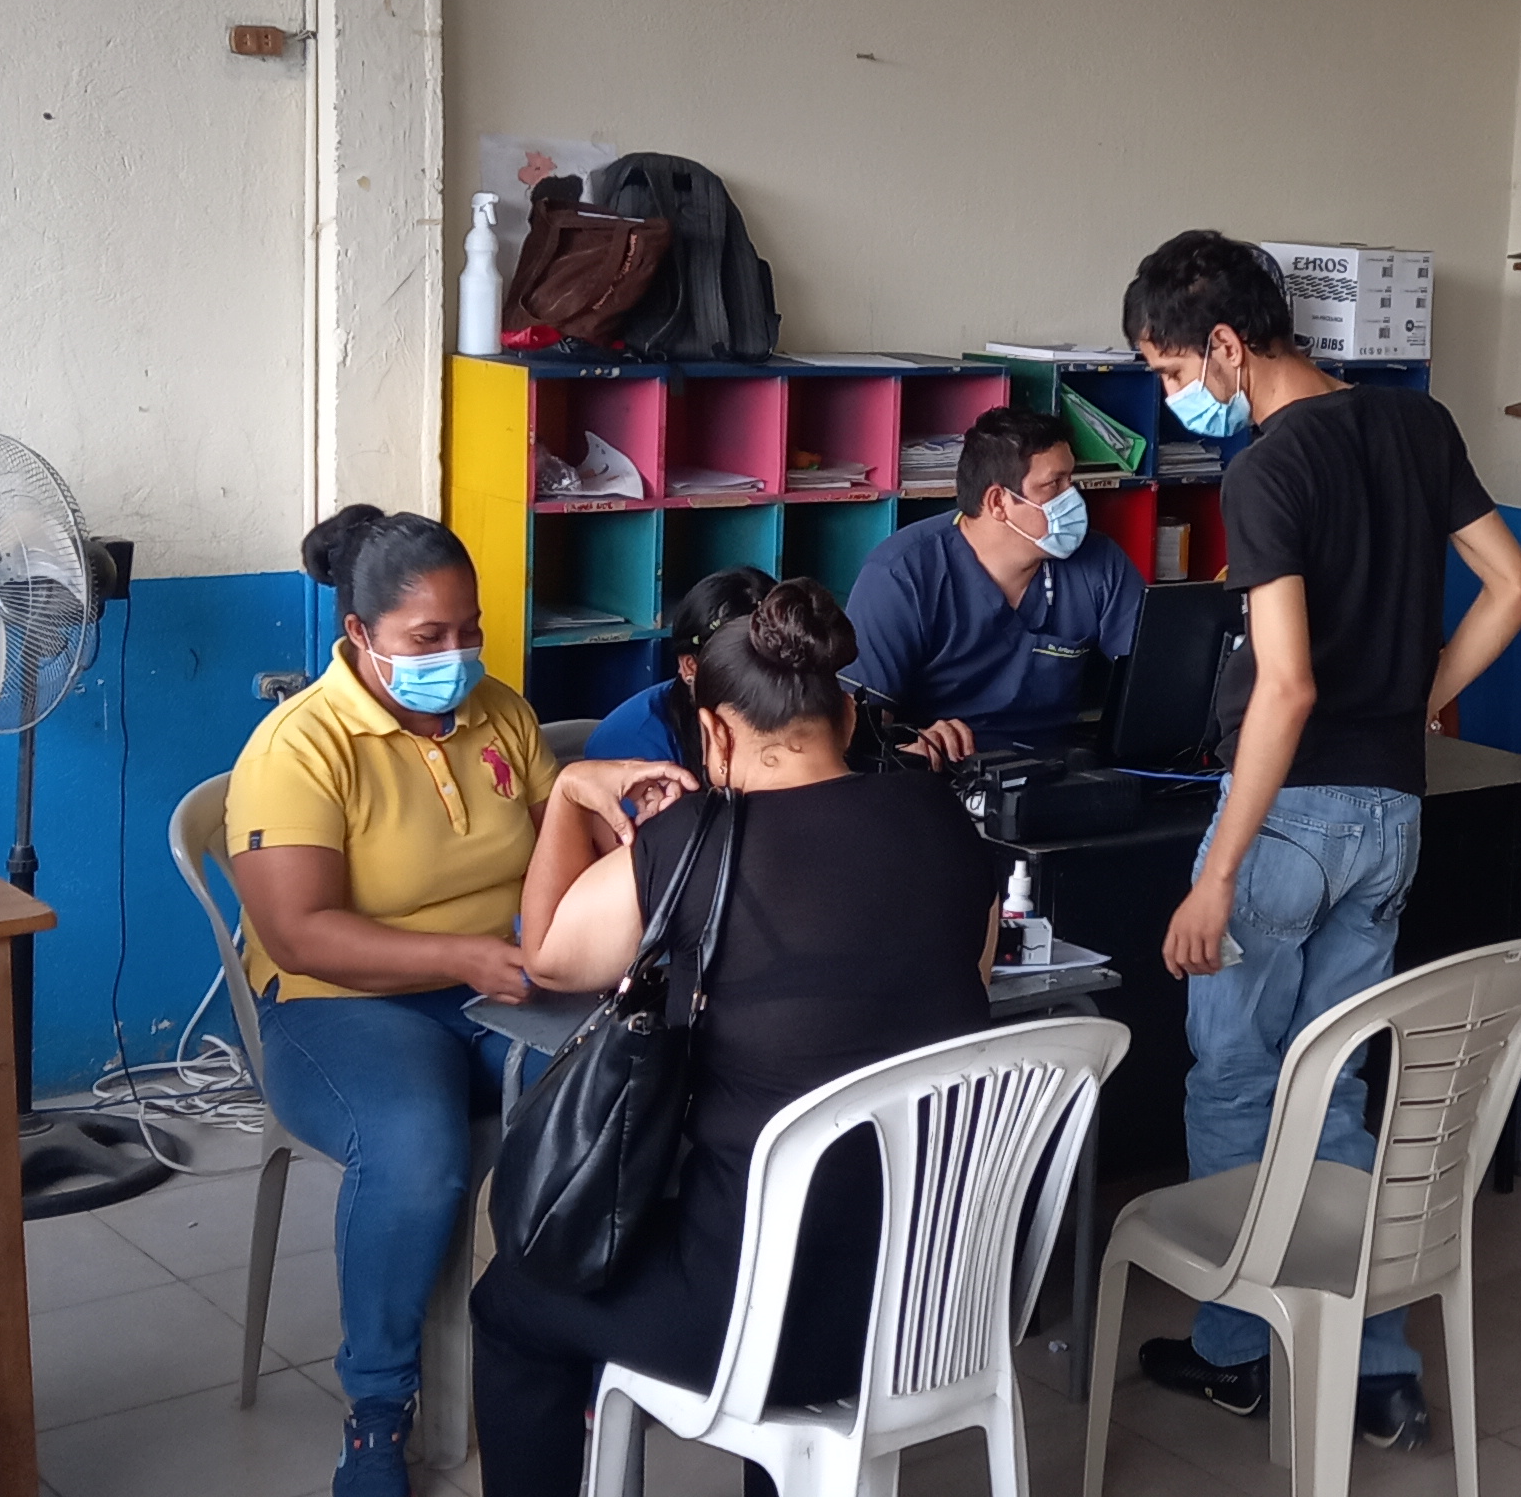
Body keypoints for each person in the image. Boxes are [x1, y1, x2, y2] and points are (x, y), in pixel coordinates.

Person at [1118, 229, 1521, 1450]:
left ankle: (1239, 1351)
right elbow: (1514, 589)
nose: (1173, 394)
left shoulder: (1266, 468)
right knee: (1339, 1079)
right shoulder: (1415, 424)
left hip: (1287, 816)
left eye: (1169, 369)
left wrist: (1217, 871)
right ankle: (1375, 1365)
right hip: (1391, 812)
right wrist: (1416, 699)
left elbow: (1287, 687)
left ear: (1224, 344)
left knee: (1237, 1082)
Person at [470, 580, 999, 1496]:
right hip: (937, 1299)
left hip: (760, 1319)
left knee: (512, 1304)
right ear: (846, 713)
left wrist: (568, 798)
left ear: (712, 733)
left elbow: (549, 959)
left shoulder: (694, 842)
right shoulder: (941, 818)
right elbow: (968, 986)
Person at [225, 505, 559, 1497]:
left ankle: (561, 1347)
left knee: (619, 1088)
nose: (454, 656)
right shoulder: (300, 746)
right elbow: (299, 934)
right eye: (426, 637)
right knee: (416, 1152)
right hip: (340, 1003)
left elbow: (558, 840)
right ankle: (377, 1413)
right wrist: (466, 954)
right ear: (359, 634)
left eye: (469, 630)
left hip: (497, 982)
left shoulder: (499, 713)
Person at [846, 405, 1146, 761]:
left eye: (1071, 481)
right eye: (1054, 485)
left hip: (1058, 768)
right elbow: (859, 730)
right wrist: (908, 749)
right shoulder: (900, 575)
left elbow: (1154, 672)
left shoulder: (1099, 561)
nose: (1074, 499)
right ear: (998, 502)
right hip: (946, 772)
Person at [583, 564, 776, 774]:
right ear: (690, 666)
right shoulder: (633, 742)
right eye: (739, 669)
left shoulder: (793, 717)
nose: (764, 683)